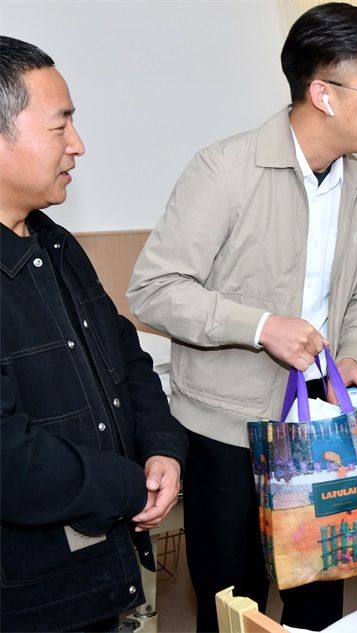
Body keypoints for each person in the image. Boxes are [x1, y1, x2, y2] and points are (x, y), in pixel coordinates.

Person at [126, 3, 357, 630]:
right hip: (226, 429)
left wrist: (352, 354)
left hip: (322, 427)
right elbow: (155, 289)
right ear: (323, 93)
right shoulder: (225, 171)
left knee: (320, 594)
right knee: (232, 600)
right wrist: (260, 327)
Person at [0, 36, 188, 632]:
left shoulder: (55, 244)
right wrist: (129, 485)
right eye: (60, 126)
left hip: (101, 575)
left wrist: (161, 446)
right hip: (29, 598)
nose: (77, 144)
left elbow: (125, 356)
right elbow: (9, 458)